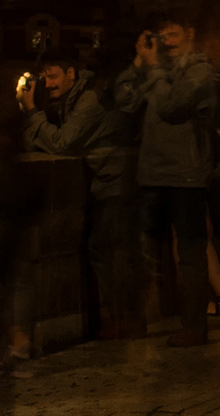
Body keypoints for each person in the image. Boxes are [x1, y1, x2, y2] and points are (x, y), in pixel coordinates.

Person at [18, 51, 142, 338]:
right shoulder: (69, 100)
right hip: (106, 181)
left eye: (54, 76)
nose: (48, 84)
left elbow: (61, 143)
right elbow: (35, 142)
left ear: (71, 74)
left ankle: (126, 322)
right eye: (44, 77)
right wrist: (36, 115)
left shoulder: (88, 100)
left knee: (112, 253)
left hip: (115, 181)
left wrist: (33, 114)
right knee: (106, 250)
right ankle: (122, 320)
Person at [115, 12, 218, 347]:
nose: (166, 43)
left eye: (172, 36)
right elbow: (124, 102)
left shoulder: (201, 70)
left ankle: (194, 326)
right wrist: (137, 64)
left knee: (189, 254)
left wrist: (153, 69)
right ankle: (134, 322)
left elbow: (172, 105)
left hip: (187, 175)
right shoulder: (154, 67)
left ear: (189, 34)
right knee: (141, 252)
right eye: (160, 37)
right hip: (151, 173)